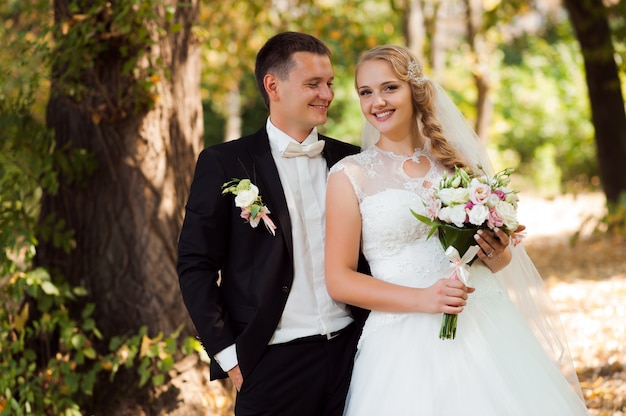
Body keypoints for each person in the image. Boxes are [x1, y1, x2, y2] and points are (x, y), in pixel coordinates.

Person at [325, 44, 590, 415]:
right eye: (365, 92)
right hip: (402, 341)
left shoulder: (456, 166)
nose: (376, 102)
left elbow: (497, 262)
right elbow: (339, 280)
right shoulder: (349, 175)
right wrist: (424, 300)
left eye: (389, 88)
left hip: (484, 322)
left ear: (414, 90)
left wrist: (496, 248)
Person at [177, 31, 368, 416]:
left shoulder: (352, 162)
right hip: (272, 362)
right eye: (313, 83)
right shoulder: (225, 163)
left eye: (329, 83)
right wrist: (229, 356)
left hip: (356, 353)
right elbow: (195, 265)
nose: (327, 94)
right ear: (273, 86)